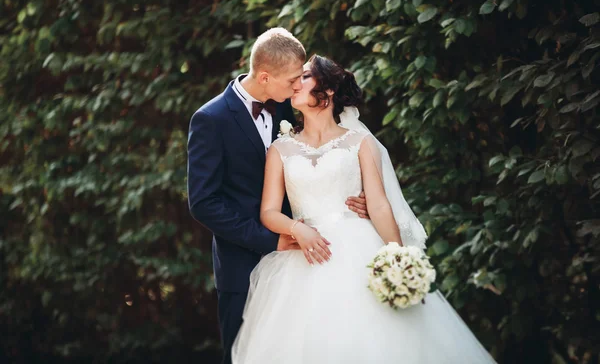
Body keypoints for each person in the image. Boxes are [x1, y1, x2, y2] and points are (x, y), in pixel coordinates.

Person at [231, 55, 497, 363]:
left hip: (359, 250)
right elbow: (268, 212)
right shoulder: (280, 149)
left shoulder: (359, 142)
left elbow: (380, 205)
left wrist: (399, 258)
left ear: (328, 90)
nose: (294, 83)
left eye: (304, 77)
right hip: (304, 254)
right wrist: (296, 228)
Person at [187, 29, 369, 364]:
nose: (298, 86)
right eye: (292, 80)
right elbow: (203, 202)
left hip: (305, 264)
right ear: (266, 77)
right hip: (242, 264)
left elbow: (323, 156)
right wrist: (272, 240)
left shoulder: (289, 110)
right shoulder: (210, 119)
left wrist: (356, 198)